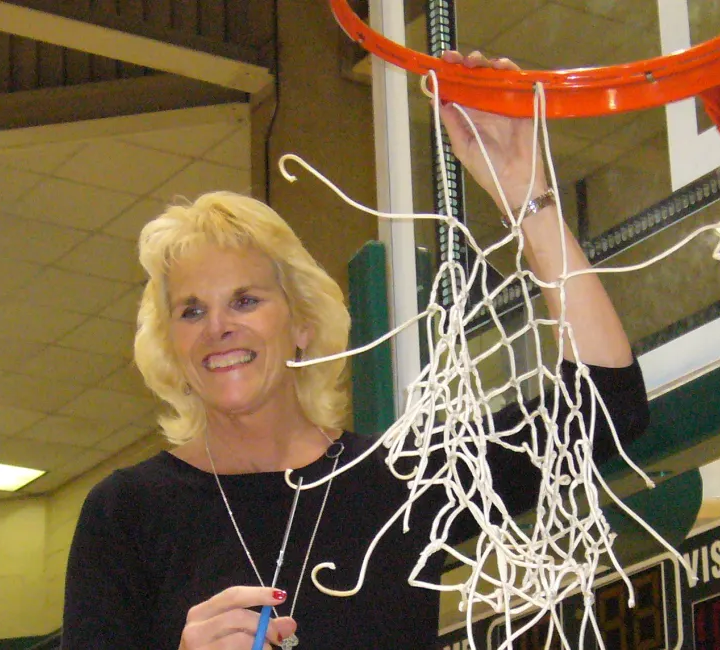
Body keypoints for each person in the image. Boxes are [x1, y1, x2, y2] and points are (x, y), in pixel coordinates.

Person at [62, 52, 651, 650]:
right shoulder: (127, 513)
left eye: (245, 301)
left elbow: (605, 406)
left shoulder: (401, 483)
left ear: (302, 323)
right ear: (170, 345)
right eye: (191, 311)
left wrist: (529, 192)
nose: (218, 327)